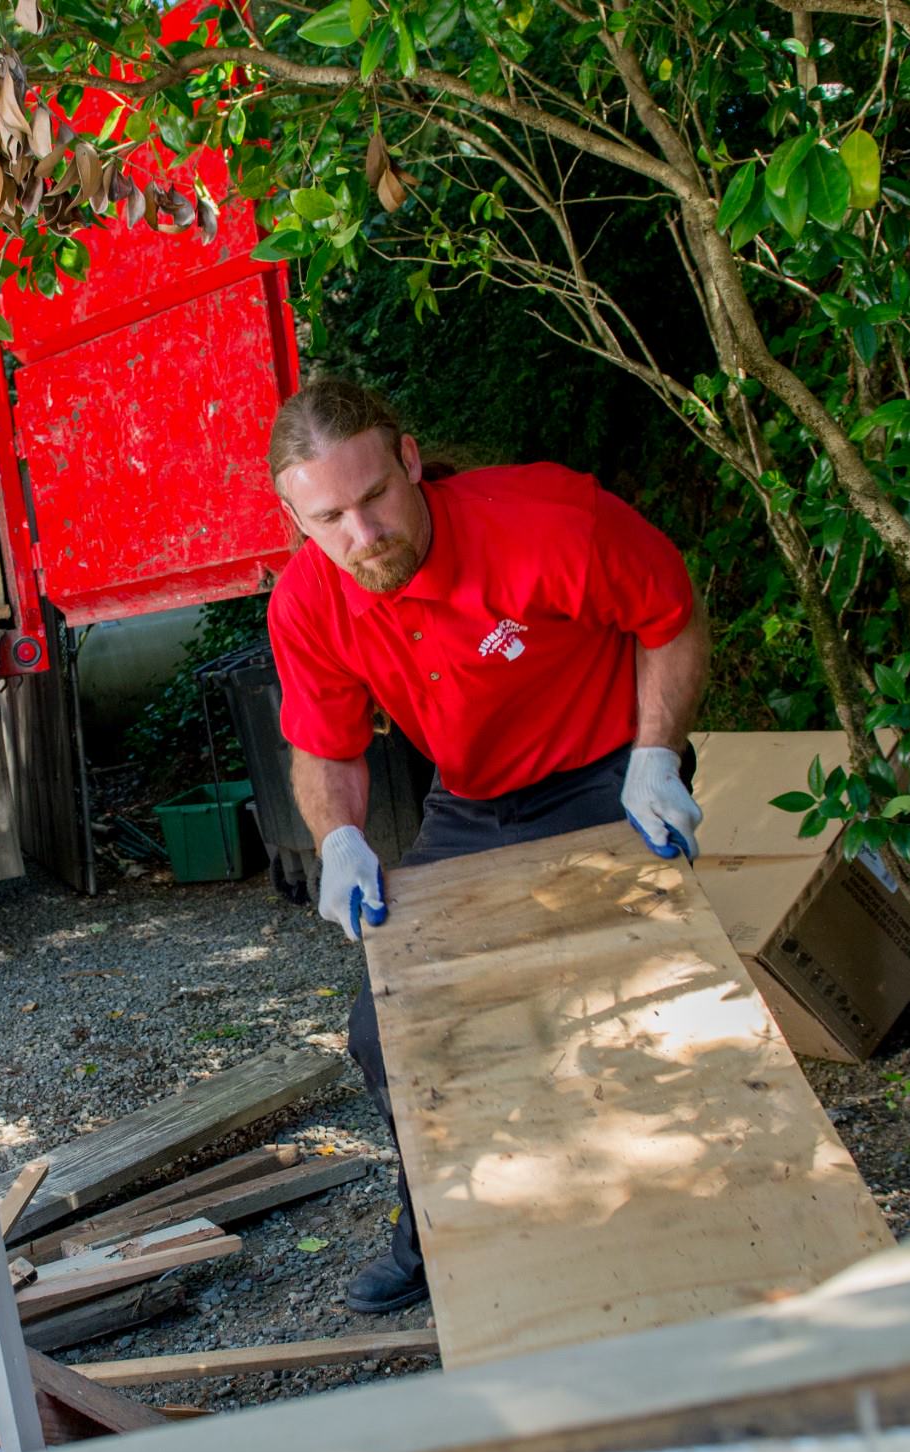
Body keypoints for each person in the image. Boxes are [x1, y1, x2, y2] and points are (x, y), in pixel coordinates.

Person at [265, 377, 711, 1314]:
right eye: (331, 518)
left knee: (631, 1000)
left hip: (603, 777)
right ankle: (437, 1217)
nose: (363, 534)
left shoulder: (549, 519)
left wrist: (657, 756)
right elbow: (325, 745)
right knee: (387, 1030)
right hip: (468, 799)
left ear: (411, 459)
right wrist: (339, 836)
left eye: (377, 496)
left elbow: (671, 616)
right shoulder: (310, 601)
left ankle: (682, 1224)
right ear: (296, 518)